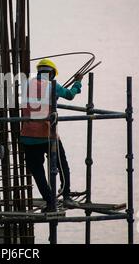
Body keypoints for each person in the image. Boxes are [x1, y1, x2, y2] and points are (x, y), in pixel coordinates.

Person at [20, 58, 83, 212]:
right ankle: (66, 195)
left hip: (27, 136)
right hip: (47, 134)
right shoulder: (52, 86)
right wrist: (78, 83)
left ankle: (50, 201)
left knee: (37, 170)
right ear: (52, 73)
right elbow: (70, 95)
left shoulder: (26, 84)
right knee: (62, 164)